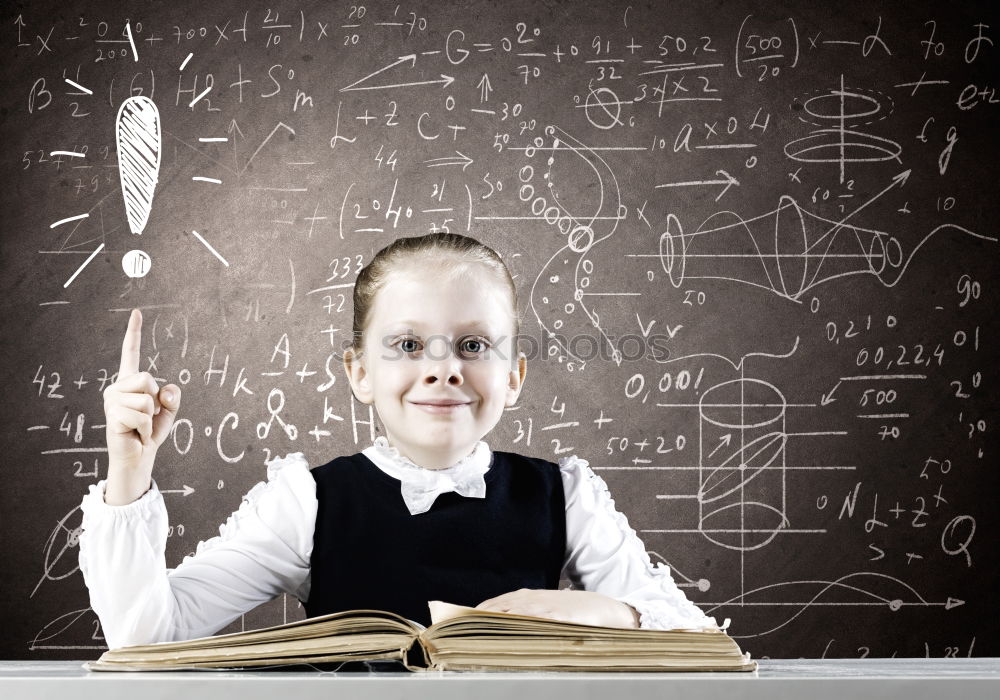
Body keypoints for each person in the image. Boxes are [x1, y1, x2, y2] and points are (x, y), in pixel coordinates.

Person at [78, 232, 719, 651]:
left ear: (514, 375)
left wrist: (567, 610)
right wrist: (129, 472)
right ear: (360, 373)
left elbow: (693, 637)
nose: (443, 369)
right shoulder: (308, 501)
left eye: (474, 345)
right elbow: (144, 637)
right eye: (408, 345)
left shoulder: (566, 495)